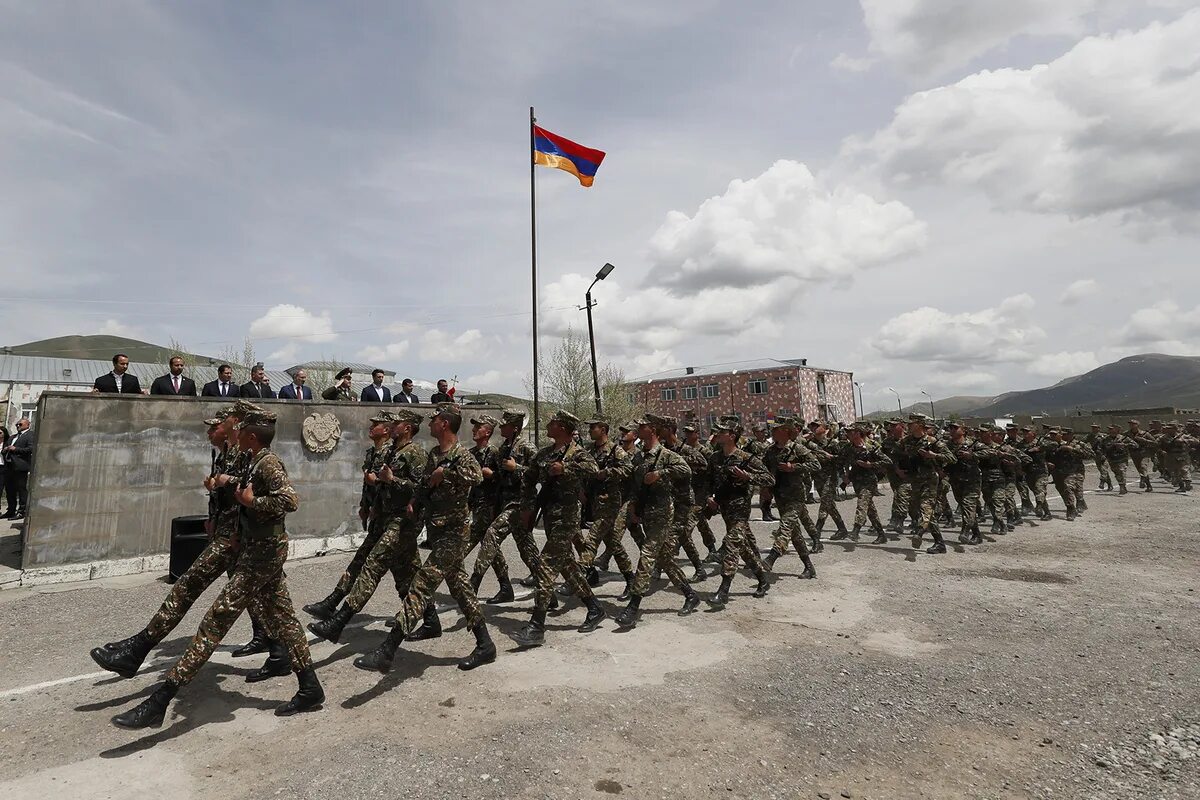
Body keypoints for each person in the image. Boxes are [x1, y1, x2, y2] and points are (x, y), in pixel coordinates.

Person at [110, 408, 322, 729]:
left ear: (250, 435)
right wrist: (238, 519)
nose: (235, 432)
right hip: (255, 548)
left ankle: (161, 699)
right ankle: (310, 687)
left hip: (263, 554)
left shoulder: (268, 462)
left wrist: (254, 503)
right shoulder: (253, 460)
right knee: (286, 620)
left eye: (242, 429)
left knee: (216, 620)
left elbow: (290, 500)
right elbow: (245, 499)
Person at [90, 401, 284, 682]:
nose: (214, 429)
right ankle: (280, 652)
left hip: (240, 538)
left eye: (225, 420)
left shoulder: (252, 454)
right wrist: (215, 512)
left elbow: (262, 494)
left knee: (187, 586)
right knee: (271, 598)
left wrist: (224, 487)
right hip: (234, 535)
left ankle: (138, 650)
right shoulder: (232, 452)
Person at [352, 403, 497, 674]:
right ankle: (485, 645)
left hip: (454, 535)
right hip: (437, 532)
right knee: (462, 590)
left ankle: (387, 650)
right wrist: (415, 502)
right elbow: (423, 483)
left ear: (444, 424)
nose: (429, 425)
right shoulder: (433, 453)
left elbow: (477, 477)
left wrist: (447, 473)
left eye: (434, 421)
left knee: (420, 585)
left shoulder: (461, 455)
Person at [307, 410, 429, 643]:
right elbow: (378, 486)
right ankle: (430, 618)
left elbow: (419, 489)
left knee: (372, 567)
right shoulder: (393, 451)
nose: (392, 427)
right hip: (384, 518)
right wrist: (369, 504)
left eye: (397, 424)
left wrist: (390, 480)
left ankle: (338, 620)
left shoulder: (416, 453)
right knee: (405, 572)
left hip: (401, 521)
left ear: (408, 428)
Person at [510, 410, 609, 644]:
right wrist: (527, 508)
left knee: (545, 567)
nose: (547, 425)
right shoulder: (544, 453)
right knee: (567, 566)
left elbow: (594, 471)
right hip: (549, 515)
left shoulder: (578, 454)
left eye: (552, 423)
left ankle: (536, 626)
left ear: (562, 427)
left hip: (567, 517)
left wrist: (567, 469)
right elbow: (528, 478)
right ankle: (594, 608)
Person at [705, 418, 774, 606]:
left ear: (732, 436)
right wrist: (709, 498)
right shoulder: (715, 458)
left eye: (722, 432)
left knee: (731, 544)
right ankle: (762, 578)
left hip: (740, 511)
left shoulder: (746, 458)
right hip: (725, 510)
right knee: (742, 547)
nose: (718, 434)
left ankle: (723, 590)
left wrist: (748, 476)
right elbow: (707, 481)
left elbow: (769, 478)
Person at [3, 418, 32, 519]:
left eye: (20, 424)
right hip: (9, 466)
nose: (18, 426)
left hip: (20, 466)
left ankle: (22, 511)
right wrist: (5, 449)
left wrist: (16, 449)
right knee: (10, 490)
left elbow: (30, 449)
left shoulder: (30, 435)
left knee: (21, 489)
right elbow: (5, 447)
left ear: (28, 425)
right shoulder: (13, 437)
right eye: (16, 425)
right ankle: (11, 510)